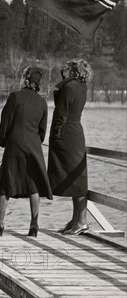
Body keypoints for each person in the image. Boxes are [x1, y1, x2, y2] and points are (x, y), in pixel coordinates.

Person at [0, 67, 52, 237]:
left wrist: (3, 141)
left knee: (6, 185)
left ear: (25, 80)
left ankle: (0, 226)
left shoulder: (15, 97)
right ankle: (34, 225)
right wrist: (34, 142)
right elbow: (42, 132)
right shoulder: (42, 103)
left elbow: (5, 124)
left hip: (14, 145)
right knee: (33, 185)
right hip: (34, 146)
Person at [47, 59, 91, 236]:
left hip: (66, 134)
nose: (62, 72)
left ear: (72, 71)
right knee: (75, 177)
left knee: (77, 180)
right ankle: (76, 220)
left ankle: (81, 221)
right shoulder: (81, 87)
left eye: (64, 70)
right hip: (75, 133)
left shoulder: (69, 88)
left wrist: (55, 135)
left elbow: (61, 114)